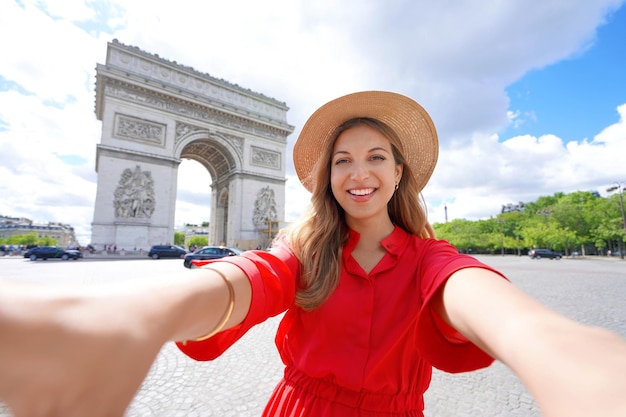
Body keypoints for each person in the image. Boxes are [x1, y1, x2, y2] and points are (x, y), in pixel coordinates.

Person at [0, 91, 625, 417]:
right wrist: (141, 315)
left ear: (401, 170)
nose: (359, 173)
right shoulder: (304, 249)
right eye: (342, 160)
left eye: (376, 156)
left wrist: (559, 350)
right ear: (326, 176)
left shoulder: (433, 258)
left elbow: (475, 294)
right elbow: (250, 279)